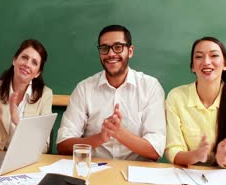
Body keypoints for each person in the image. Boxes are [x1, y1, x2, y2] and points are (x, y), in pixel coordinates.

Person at [56, 25, 166, 161]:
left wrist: (119, 133)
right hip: (94, 170)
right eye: (104, 48)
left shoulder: (150, 87)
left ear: (130, 51)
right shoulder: (84, 88)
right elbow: (63, 145)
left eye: (118, 47)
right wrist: (100, 137)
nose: (111, 54)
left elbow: (155, 150)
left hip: (137, 173)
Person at [165, 37, 226, 170]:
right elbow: (173, 150)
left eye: (214, 55)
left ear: (225, 64)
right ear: (193, 66)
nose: (206, 62)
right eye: (199, 56)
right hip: (187, 176)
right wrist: (196, 155)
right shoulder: (176, 96)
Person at [0, 39, 53, 153]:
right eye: (24, 57)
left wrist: (18, 122)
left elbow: (44, 148)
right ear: (14, 60)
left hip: (25, 161)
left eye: (34, 62)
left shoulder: (45, 95)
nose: (27, 64)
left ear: (37, 73)